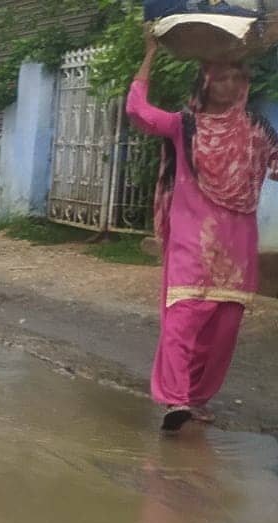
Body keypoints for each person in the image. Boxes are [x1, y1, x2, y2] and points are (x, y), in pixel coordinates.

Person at [128, 26, 276, 431]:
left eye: (236, 77)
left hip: (237, 249)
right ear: (206, 83)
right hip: (193, 244)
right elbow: (139, 111)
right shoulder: (186, 125)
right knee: (184, 319)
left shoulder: (259, 130)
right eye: (221, 77)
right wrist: (150, 54)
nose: (229, 84)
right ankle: (175, 400)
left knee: (223, 329)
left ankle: (196, 398)